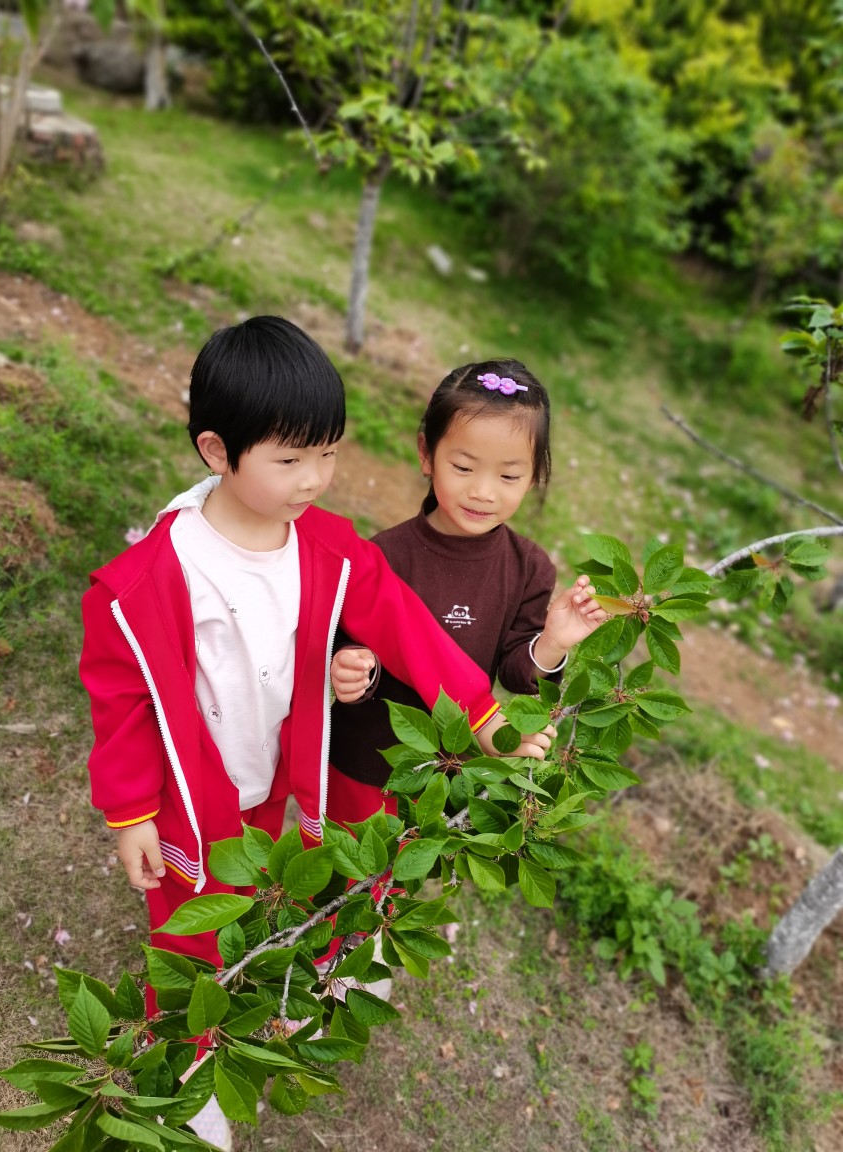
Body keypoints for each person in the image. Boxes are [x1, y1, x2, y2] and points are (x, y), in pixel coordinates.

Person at [79, 320, 551, 1150]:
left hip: (277, 781)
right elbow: (122, 700)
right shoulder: (153, 576)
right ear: (217, 451)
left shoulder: (329, 548)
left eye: (327, 454)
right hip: (191, 796)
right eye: (291, 460)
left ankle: (253, 1007)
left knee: (261, 902)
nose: (315, 480)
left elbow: (408, 629)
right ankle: (183, 1074)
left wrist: (482, 716)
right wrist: (131, 813)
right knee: (189, 934)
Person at [328, 358, 607, 828]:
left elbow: (517, 676)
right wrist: (351, 668)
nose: (483, 492)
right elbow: (347, 641)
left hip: (453, 769)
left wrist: (553, 642)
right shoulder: (386, 555)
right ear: (427, 454)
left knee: (416, 866)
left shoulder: (529, 568)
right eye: (462, 467)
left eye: (508, 476)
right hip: (366, 762)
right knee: (347, 862)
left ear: (535, 475)